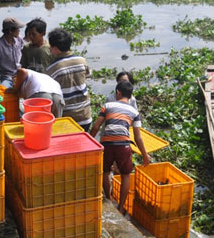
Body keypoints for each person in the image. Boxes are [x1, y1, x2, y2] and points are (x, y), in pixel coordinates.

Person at [90, 81, 150, 215]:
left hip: (107, 144)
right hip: (123, 145)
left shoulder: (107, 105)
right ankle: (121, 207)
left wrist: (87, 141)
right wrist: (145, 155)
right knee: (125, 175)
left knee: (105, 172)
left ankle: (109, 199)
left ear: (118, 92)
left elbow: (96, 127)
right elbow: (138, 137)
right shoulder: (134, 111)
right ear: (130, 95)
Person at [46, 28, 92, 131]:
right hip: (85, 117)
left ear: (55, 48)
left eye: (51, 46)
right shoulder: (82, 61)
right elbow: (88, 77)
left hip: (67, 120)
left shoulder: (52, 69)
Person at [0, 17, 25, 89]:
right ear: (10, 31)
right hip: (7, 78)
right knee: (4, 90)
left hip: (21, 74)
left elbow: (25, 52)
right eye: (17, 28)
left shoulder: (19, 39)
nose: (19, 30)